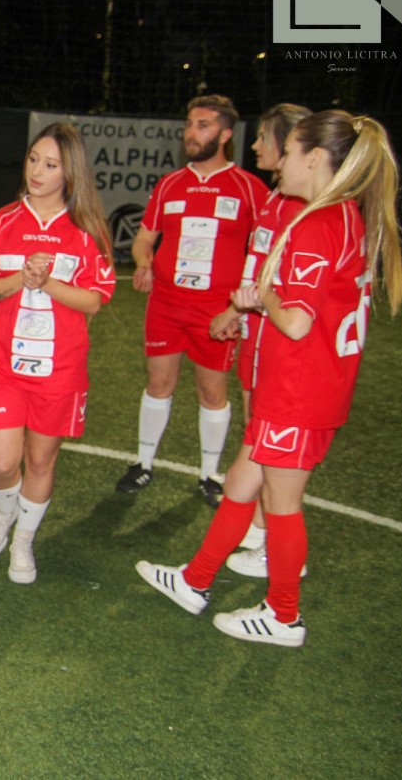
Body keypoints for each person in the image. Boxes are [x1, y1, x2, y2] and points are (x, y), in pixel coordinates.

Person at [137, 109, 402, 647]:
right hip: (309, 387)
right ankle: (195, 580)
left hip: (297, 391)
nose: (279, 160)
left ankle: (284, 616)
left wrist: (260, 298)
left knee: (281, 504)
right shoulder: (347, 216)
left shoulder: (318, 225)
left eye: (289, 152)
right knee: (242, 482)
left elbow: (298, 321)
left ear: (314, 158)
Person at [0, 123, 116, 584]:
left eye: (51, 164)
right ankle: (3, 514)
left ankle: (23, 542)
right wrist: (23, 278)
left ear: (70, 172)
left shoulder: (88, 229)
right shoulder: (1, 221)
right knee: (1, 462)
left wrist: (49, 281)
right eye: (34, 158)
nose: (37, 170)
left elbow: (95, 300)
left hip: (60, 369)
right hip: (1, 364)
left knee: (40, 461)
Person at [117, 95, 268, 506]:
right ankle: (143, 463)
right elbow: (144, 239)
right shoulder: (170, 184)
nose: (190, 132)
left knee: (212, 392)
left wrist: (239, 307)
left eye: (201, 125)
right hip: (166, 304)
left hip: (216, 311)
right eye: (188, 123)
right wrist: (144, 261)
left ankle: (209, 474)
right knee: (159, 383)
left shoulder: (249, 189)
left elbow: (265, 253)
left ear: (224, 134)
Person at [207, 103, 312, 573]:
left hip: (280, 344)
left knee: (268, 444)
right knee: (258, 440)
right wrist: (240, 310)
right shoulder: (278, 198)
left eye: (267, 139)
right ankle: (265, 534)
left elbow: (288, 293)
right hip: (259, 331)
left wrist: (243, 307)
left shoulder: (302, 207)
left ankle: (274, 543)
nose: (256, 146)